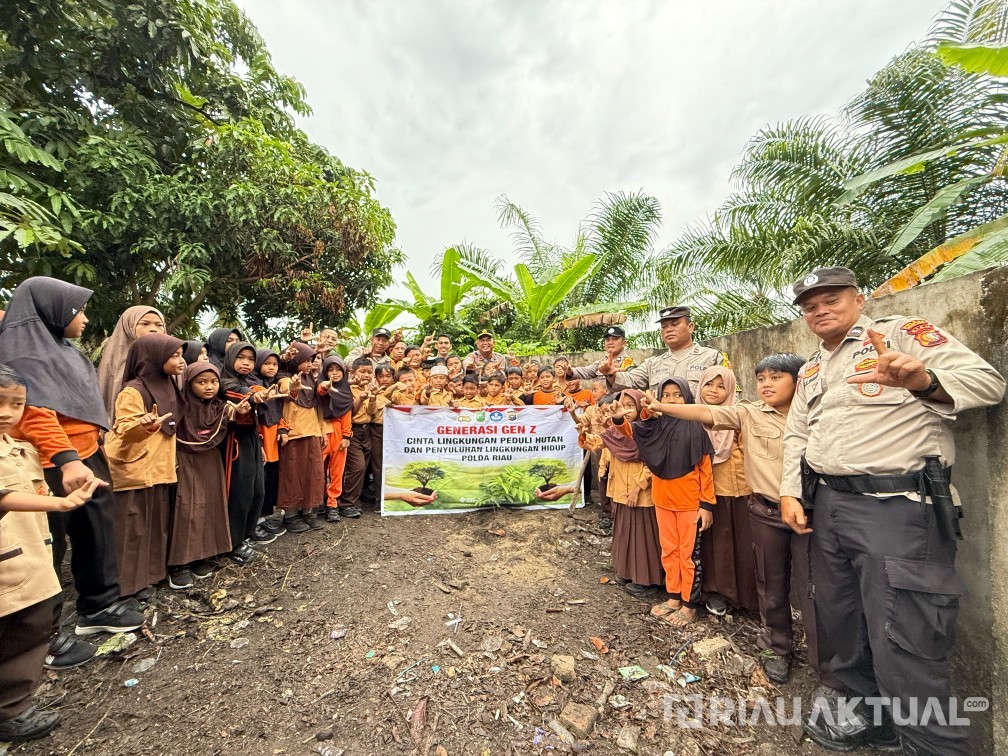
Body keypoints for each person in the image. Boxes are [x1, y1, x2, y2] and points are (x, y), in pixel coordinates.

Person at [780, 267, 1005, 755]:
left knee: (905, 642)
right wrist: (791, 492)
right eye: (809, 304)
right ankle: (867, 720)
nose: (819, 309)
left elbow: (987, 383)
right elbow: (797, 434)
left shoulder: (900, 333)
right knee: (841, 621)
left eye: (831, 299)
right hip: (831, 506)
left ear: (857, 300)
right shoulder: (812, 369)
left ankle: (930, 744)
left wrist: (924, 380)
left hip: (897, 510)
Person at [650, 354, 821, 685]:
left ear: (798, 381)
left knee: (815, 586)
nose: (766, 384)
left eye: (775, 377)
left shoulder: (819, 415)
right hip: (763, 506)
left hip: (808, 509)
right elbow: (705, 413)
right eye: (761, 379)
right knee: (768, 580)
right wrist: (660, 406)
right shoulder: (749, 412)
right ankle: (776, 648)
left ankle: (824, 662)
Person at [0, 277, 143, 663]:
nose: (84, 316)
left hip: (83, 454)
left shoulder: (61, 349)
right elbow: (34, 414)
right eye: (76, 309)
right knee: (47, 548)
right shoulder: (24, 356)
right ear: (52, 311)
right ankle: (40, 640)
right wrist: (66, 460)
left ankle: (98, 607)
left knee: (95, 530)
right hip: (47, 465)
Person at [0, 364, 105, 743]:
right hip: (7, 564)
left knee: (26, 627)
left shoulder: (21, 448)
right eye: (0, 402)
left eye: (17, 404)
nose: (6, 412)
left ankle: (12, 707)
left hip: (28, 555)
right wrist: (61, 505)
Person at [104, 334, 185, 599]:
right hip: (134, 469)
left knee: (154, 524)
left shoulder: (169, 386)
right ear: (154, 357)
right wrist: (144, 424)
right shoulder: (133, 390)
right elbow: (124, 428)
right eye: (174, 355)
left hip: (160, 468)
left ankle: (150, 577)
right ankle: (125, 587)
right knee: (131, 530)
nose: (181, 360)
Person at [628, 377, 715, 626]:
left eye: (678, 395)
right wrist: (617, 419)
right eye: (666, 395)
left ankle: (689, 605)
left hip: (689, 504)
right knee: (669, 552)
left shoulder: (695, 428)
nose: (672, 400)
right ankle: (674, 597)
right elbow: (630, 432)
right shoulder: (654, 427)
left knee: (689, 556)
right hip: (662, 501)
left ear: (687, 398)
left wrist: (706, 505)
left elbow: (706, 470)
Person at [578, 390, 664, 599]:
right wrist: (582, 432)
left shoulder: (648, 432)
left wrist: (638, 488)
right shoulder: (614, 433)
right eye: (621, 405)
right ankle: (626, 572)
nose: (625, 410)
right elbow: (595, 442)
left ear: (641, 408)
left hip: (642, 494)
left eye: (630, 406)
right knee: (625, 532)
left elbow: (654, 463)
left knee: (643, 536)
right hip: (619, 491)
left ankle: (647, 580)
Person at [694, 366, 759, 617]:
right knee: (716, 544)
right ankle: (717, 591)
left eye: (721, 386)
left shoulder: (739, 417)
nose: (714, 391)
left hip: (741, 490)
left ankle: (747, 596)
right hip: (708, 493)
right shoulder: (692, 418)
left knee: (743, 543)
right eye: (709, 384)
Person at [168, 362, 234, 588]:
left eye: (214, 382)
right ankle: (181, 563)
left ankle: (204, 554)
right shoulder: (180, 406)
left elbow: (233, 412)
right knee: (187, 509)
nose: (209, 387)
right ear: (188, 383)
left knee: (209, 506)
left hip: (210, 459)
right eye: (201, 382)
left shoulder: (219, 406)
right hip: (186, 459)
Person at [603, 306, 728, 394]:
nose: (668, 330)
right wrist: (611, 374)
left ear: (690, 327)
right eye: (664, 327)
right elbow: (630, 380)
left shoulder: (712, 357)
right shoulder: (652, 364)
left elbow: (729, 393)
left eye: (675, 324)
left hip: (699, 428)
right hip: (662, 428)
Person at [220, 341, 267, 564]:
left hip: (251, 438)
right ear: (230, 358)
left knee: (257, 489)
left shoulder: (247, 380)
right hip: (234, 440)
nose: (246, 363)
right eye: (241, 358)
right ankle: (233, 543)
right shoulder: (224, 381)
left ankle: (246, 534)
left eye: (250, 359)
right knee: (239, 491)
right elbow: (236, 392)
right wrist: (253, 394)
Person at [277, 342, 325, 533]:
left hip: (312, 432)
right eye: (305, 361)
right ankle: (290, 515)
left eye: (311, 361)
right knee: (292, 475)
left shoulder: (312, 380)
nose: (309, 365)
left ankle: (309, 511)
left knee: (312, 475)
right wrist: (294, 387)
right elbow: (286, 389)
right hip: (294, 434)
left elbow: (317, 407)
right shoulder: (284, 377)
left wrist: (321, 431)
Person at [95, 306, 167, 423]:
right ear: (129, 326)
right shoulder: (113, 362)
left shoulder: (172, 361)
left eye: (159, 325)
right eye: (145, 324)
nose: (153, 329)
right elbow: (104, 398)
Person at [253, 348, 286, 535]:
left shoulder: (274, 384)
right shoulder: (254, 383)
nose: (271, 367)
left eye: (274, 364)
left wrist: (282, 428)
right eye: (266, 363)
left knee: (270, 479)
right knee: (260, 480)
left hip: (273, 439)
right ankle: (256, 520)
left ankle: (264, 517)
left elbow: (279, 412)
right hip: (261, 438)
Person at [318, 356, 353, 522]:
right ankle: (319, 500)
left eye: (338, 369)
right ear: (324, 372)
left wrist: (346, 436)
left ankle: (332, 504)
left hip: (339, 431)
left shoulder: (346, 391)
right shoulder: (320, 385)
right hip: (321, 430)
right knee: (319, 469)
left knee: (337, 471)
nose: (335, 373)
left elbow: (347, 414)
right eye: (330, 370)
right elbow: (320, 390)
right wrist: (326, 386)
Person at [341, 357, 377, 518]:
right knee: (357, 467)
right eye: (362, 371)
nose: (366, 375)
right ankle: (346, 503)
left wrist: (372, 398)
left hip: (366, 430)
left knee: (364, 467)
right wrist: (361, 398)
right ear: (352, 372)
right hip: (352, 430)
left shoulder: (371, 387)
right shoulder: (347, 388)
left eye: (369, 372)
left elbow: (370, 412)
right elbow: (351, 413)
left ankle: (354, 501)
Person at [569, 325, 636, 380]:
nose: (610, 342)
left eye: (615, 339)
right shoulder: (602, 362)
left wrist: (612, 375)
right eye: (607, 339)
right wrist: (569, 370)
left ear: (624, 343)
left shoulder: (628, 362)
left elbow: (630, 385)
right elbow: (586, 371)